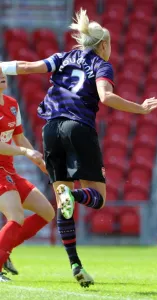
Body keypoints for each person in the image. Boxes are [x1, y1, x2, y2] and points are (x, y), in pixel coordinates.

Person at [0, 8, 157, 287]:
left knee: (61, 201)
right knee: (97, 198)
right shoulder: (101, 64)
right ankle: (74, 200)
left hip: (50, 129)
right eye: (109, 44)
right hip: (78, 128)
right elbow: (106, 97)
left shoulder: (63, 58)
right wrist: (141, 109)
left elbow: (26, 67)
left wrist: (2, 66)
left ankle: (75, 263)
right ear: (102, 45)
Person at [0, 68, 55, 282]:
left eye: (2, 73)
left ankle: (3, 251)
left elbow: (20, 138)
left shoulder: (12, 104)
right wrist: (24, 152)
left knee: (47, 212)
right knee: (16, 217)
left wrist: (38, 160)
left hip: (9, 170)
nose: (2, 76)